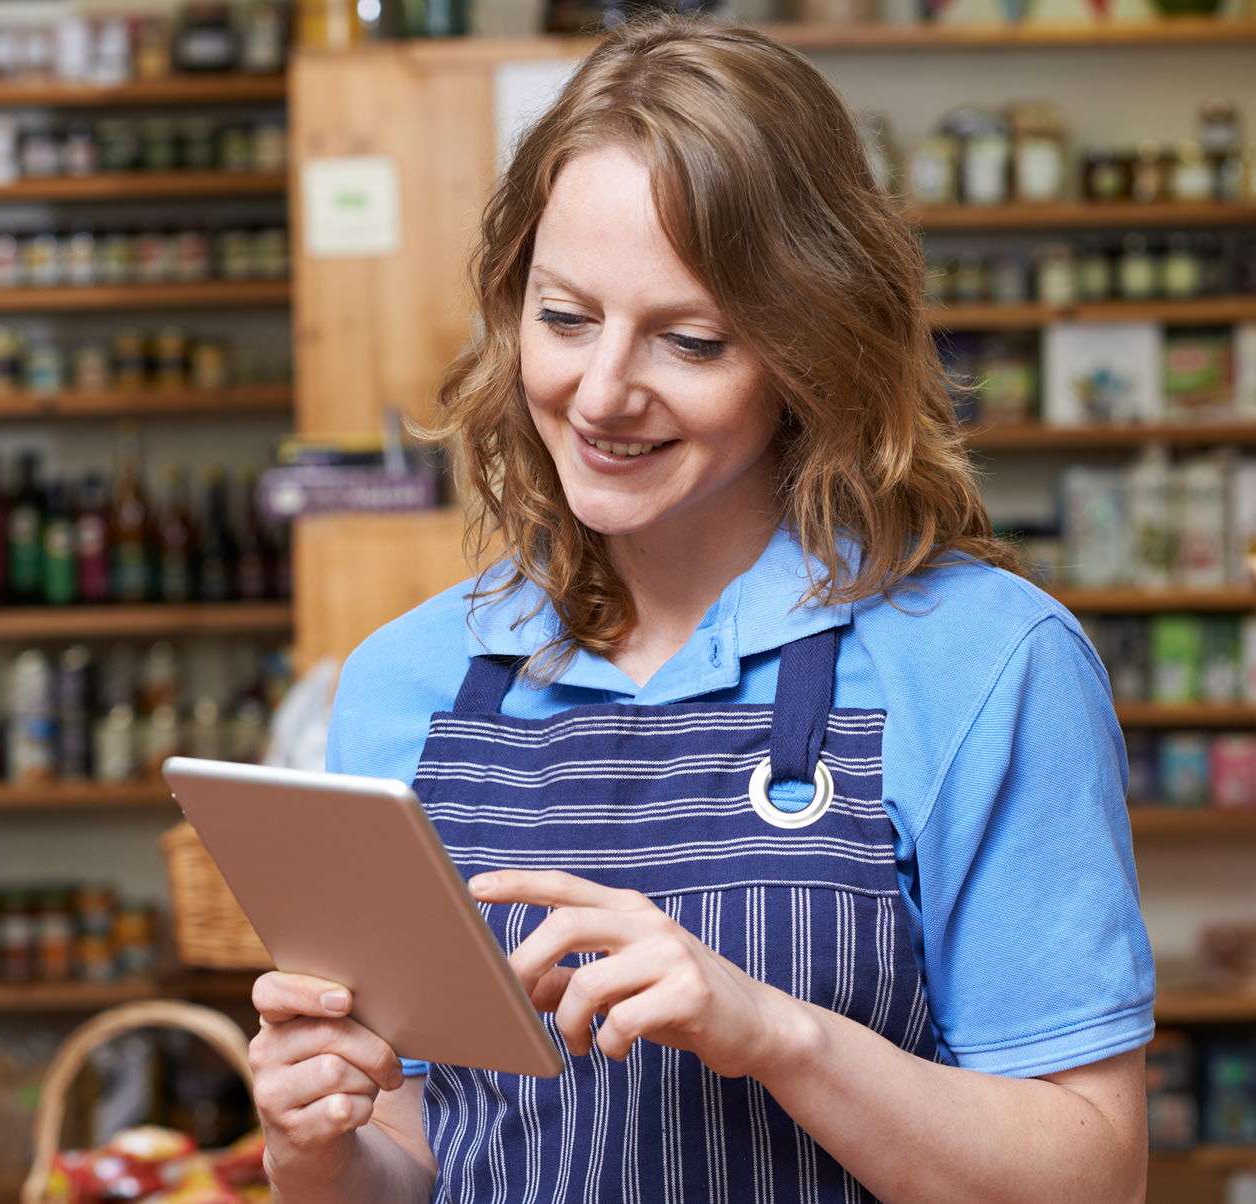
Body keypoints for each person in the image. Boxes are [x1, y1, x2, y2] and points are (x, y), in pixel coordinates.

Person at [249, 17, 1154, 1204]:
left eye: (690, 339)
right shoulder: (409, 685)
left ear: (812, 345)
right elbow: (420, 1162)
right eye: (565, 317)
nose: (604, 392)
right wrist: (315, 1147)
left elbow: (1092, 1177)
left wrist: (775, 1033)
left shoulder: (988, 664)